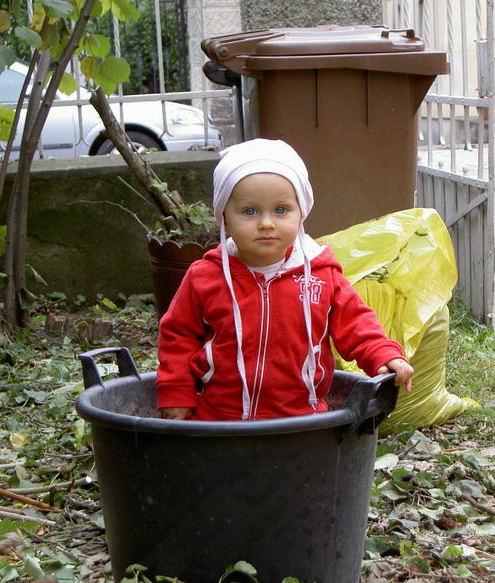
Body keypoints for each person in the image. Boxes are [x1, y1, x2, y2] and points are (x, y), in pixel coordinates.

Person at [156, 138, 414, 421]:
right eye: (249, 211)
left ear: (300, 212)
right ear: (224, 218)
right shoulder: (205, 276)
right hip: (217, 419)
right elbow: (178, 336)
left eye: (281, 210)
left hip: (300, 420)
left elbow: (357, 323)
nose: (266, 223)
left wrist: (383, 354)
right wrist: (176, 393)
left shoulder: (321, 275)